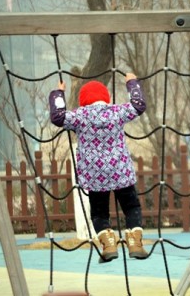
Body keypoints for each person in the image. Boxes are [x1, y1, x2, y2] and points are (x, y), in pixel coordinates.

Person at [49, 73, 148, 263]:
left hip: (95, 175)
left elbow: (57, 117)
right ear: (106, 98)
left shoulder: (80, 116)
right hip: (120, 170)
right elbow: (138, 105)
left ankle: (109, 244)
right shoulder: (116, 112)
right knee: (131, 206)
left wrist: (58, 94)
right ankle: (135, 243)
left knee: (99, 212)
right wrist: (132, 83)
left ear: (83, 100)